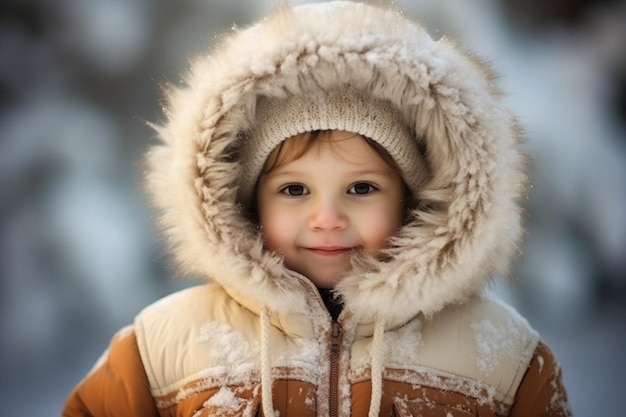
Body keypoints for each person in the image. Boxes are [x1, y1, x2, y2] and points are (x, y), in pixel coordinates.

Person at [63, 1, 572, 416]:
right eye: (294, 190)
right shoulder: (163, 351)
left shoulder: (503, 359)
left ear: (414, 200)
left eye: (361, 189)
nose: (327, 218)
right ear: (245, 202)